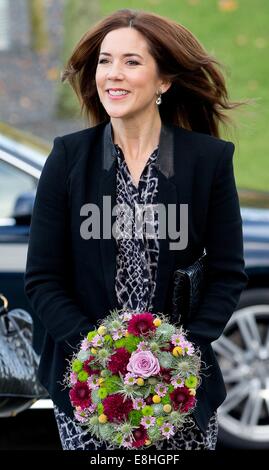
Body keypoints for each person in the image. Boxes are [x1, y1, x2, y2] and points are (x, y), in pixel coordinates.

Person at [24, 8, 249, 450]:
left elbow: (228, 274)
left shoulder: (208, 161)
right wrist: (100, 356)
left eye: (131, 61)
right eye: (105, 61)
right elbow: (43, 279)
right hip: (86, 388)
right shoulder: (68, 158)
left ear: (164, 80)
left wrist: (180, 356)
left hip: (179, 392)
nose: (113, 74)